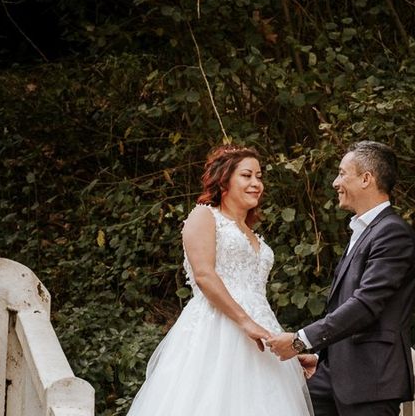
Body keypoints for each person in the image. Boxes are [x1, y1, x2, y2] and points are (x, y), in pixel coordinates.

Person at [127, 144, 313, 416]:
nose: (256, 183)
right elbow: (204, 275)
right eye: (247, 175)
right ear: (224, 180)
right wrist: (245, 322)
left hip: (260, 335)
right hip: (216, 330)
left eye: (259, 176)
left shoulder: (251, 232)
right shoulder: (204, 216)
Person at [266, 140, 415, 416]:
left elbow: (366, 305)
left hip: (370, 383)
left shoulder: (393, 233)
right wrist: (322, 357)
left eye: (342, 173)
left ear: (366, 179)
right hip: (333, 376)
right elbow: (344, 308)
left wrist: (300, 340)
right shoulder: (364, 229)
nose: (336, 182)